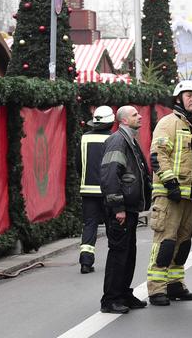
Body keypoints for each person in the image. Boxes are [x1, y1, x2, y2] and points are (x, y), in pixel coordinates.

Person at [147, 80, 192, 306]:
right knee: (165, 241)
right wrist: (171, 184)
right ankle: (156, 288)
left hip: (189, 195)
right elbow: (157, 154)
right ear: (178, 98)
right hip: (170, 194)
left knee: (184, 242)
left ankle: (175, 284)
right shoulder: (168, 122)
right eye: (189, 95)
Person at [99, 105, 152, 314]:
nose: (139, 116)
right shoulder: (118, 141)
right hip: (120, 209)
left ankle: (124, 293)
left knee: (129, 253)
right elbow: (110, 176)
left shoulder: (129, 139)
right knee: (119, 253)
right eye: (134, 115)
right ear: (123, 121)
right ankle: (110, 299)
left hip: (129, 208)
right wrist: (118, 207)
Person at [77, 106, 115, 274]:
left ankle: (86, 262)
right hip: (109, 190)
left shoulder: (84, 139)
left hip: (88, 191)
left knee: (90, 225)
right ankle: (115, 261)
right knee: (111, 226)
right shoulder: (114, 139)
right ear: (111, 122)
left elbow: (78, 164)